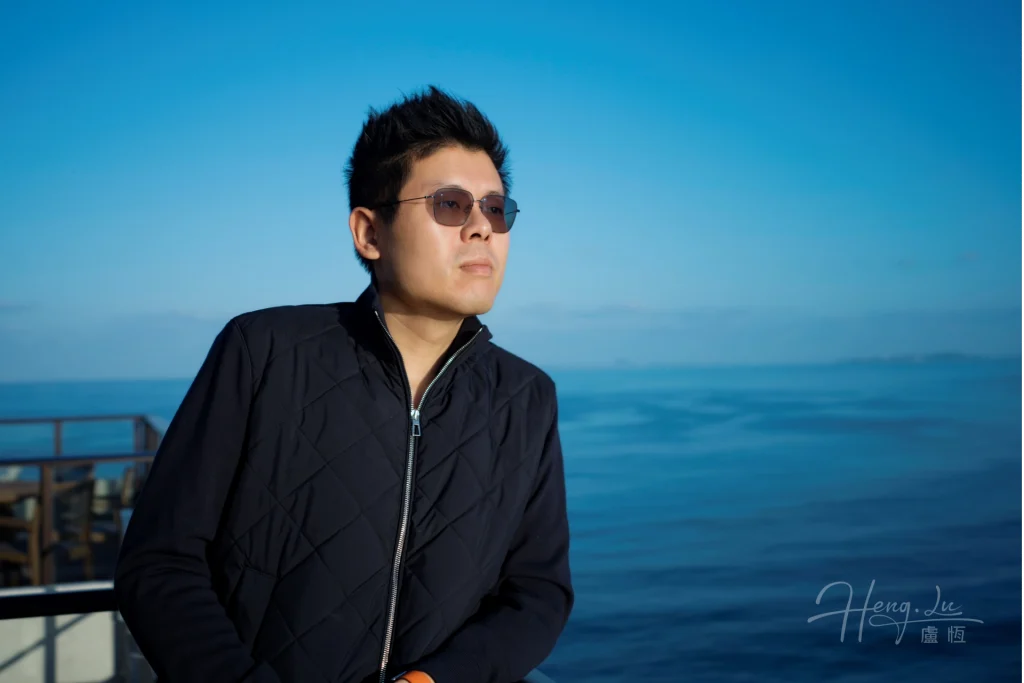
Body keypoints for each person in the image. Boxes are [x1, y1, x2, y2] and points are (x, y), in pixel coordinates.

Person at [114, 86, 574, 683]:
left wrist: (437, 679)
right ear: (369, 233)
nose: (482, 228)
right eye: (451, 205)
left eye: (495, 208)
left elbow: (537, 591)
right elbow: (160, 564)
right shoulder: (264, 353)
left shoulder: (526, 396)